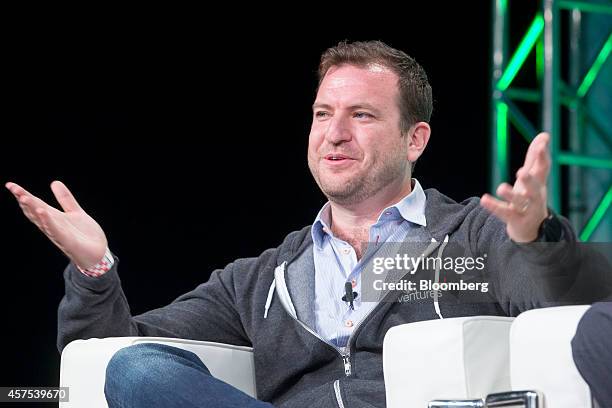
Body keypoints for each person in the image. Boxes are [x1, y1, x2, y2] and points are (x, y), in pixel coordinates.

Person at [5, 40, 609, 408]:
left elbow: (554, 305)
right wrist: (94, 271)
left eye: (362, 114)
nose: (334, 133)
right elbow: (110, 348)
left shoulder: (469, 236)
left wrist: (536, 236)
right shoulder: (262, 279)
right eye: (323, 114)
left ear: (415, 138)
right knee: (136, 371)